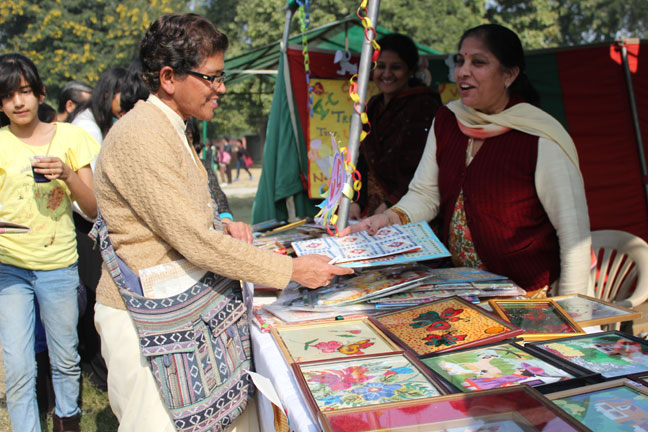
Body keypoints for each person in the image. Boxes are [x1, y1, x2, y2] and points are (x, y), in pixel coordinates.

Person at [93, 13, 352, 431]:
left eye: (221, 76)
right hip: (147, 319)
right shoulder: (141, 135)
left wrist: (221, 222)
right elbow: (194, 240)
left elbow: (184, 217)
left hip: (176, 313)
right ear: (169, 77)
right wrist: (290, 270)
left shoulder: (169, 126)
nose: (222, 88)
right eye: (211, 77)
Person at [343, 24, 592, 297]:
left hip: (527, 295)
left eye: (479, 62)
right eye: (460, 61)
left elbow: (573, 233)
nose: (463, 71)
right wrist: (389, 218)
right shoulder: (448, 120)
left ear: (509, 74)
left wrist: (573, 310)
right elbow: (426, 194)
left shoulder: (539, 135)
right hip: (462, 288)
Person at [0, 53, 100, 432]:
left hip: (58, 266)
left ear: (40, 93)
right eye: (8, 95)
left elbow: (92, 208)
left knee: (65, 359)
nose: (18, 102)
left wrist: (68, 175)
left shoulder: (71, 137)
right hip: (9, 268)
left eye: (25, 91)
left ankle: (67, 421)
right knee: (19, 366)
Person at [350, 33, 442, 219]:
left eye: (396, 67)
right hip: (371, 208)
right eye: (380, 66)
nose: (386, 74)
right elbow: (363, 160)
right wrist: (356, 202)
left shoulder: (424, 105)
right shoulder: (373, 106)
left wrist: (390, 205)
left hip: (409, 207)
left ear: (410, 70)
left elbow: (423, 166)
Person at [186, 118, 234, 220]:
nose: (185, 143)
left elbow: (220, 200)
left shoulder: (203, 166)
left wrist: (225, 221)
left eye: (189, 138)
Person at [69, 66, 127, 145]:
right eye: (124, 99)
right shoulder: (89, 130)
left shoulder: (93, 118)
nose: (128, 106)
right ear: (107, 94)